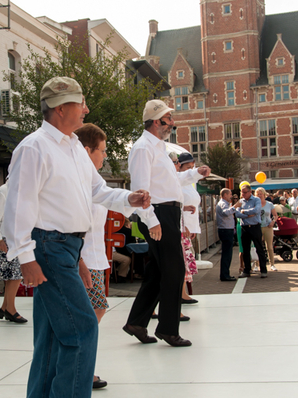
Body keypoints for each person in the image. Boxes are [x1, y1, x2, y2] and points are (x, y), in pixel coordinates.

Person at [2, 76, 151, 398]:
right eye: (80, 102)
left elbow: (96, 190)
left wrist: (129, 199)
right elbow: (18, 206)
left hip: (64, 248)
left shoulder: (72, 146)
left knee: (53, 337)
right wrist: (26, 258)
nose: (86, 108)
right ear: (59, 108)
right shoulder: (34, 147)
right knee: (83, 330)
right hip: (48, 248)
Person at [124, 99, 210, 349]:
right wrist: (151, 220)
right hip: (159, 214)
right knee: (173, 271)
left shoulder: (158, 147)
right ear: (155, 121)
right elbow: (140, 189)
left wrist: (195, 174)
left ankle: (137, 322)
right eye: (168, 118)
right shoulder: (143, 148)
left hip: (166, 213)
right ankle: (168, 329)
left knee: (159, 271)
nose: (172, 123)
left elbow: (170, 181)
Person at [76, 123, 140, 389]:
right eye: (101, 151)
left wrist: (132, 199)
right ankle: (79, 368)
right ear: (87, 150)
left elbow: (108, 197)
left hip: (94, 259)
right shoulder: (78, 178)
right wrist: (78, 259)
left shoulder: (93, 179)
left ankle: (80, 366)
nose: (105, 156)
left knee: (94, 310)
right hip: (82, 260)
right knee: (90, 313)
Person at [0, 181, 26, 323]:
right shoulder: (3, 192)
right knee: (14, 275)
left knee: (15, 275)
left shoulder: (19, 192)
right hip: (5, 239)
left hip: (16, 239)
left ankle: (5, 307)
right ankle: (10, 309)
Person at [177, 152, 200, 304]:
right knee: (181, 261)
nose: (191, 170)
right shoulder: (177, 182)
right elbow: (174, 204)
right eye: (188, 167)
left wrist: (193, 228)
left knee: (185, 260)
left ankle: (183, 292)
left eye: (193, 167)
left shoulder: (189, 184)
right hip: (180, 227)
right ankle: (181, 293)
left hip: (187, 228)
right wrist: (183, 226)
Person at [235, 183, 268, 278]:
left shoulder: (256, 200)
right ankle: (247, 270)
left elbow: (257, 210)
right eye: (242, 192)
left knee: (259, 248)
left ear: (250, 192)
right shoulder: (241, 201)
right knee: (245, 250)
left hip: (255, 227)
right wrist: (248, 214)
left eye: (245, 192)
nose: (243, 194)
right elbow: (237, 214)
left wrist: (244, 211)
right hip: (245, 227)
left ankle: (263, 269)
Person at [216, 188, 237, 281]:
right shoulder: (223, 204)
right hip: (225, 230)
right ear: (225, 195)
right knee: (227, 253)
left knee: (227, 253)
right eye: (230, 194)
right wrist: (235, 207)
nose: (231, 196)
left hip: (226, 230)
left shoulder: (225, 204)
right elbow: (225, 213)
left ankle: (225, 273)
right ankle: (225, 275)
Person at [255, 188, 278, 271]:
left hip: (268, 227)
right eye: (258, 194)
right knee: (258, 246)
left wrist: (273, 221)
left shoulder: (269, 204)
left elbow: (275, 215)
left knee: (269, 247)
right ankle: (257, 265)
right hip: (258, 227)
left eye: (261, 194)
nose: (259, 196)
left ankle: (272, 264)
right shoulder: (255, 204)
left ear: (264, 195)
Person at [112, 218, 134, 282]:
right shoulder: (128, 231)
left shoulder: (114, 231)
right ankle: (121, 275)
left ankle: (117, 271)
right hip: (111, 252)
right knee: (127, 259)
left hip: (113, 251)